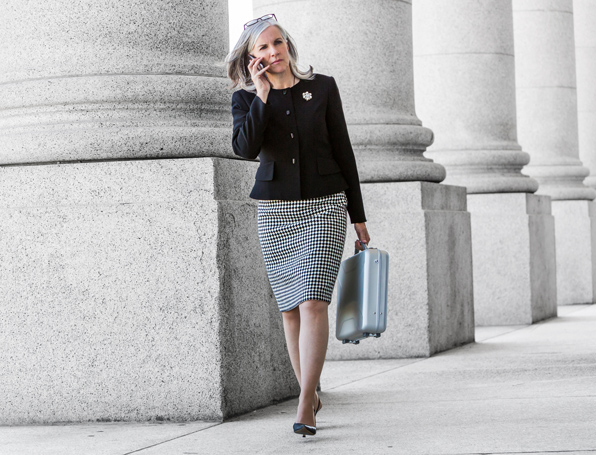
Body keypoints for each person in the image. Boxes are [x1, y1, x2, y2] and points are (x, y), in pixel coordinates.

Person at [225, 13, 370, 437]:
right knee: (290, 310)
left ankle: (305, 402)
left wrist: (357, 216)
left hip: (325, 206)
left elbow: (344, 152)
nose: (273, 53)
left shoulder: (322, 87)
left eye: (277, 43)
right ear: (253, 59)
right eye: (263, 50)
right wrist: (264, 97)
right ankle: (310, 389)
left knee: (312, 302)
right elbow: (245, 149)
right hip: (276, 212)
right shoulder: (246, 99)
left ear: (287, 43)